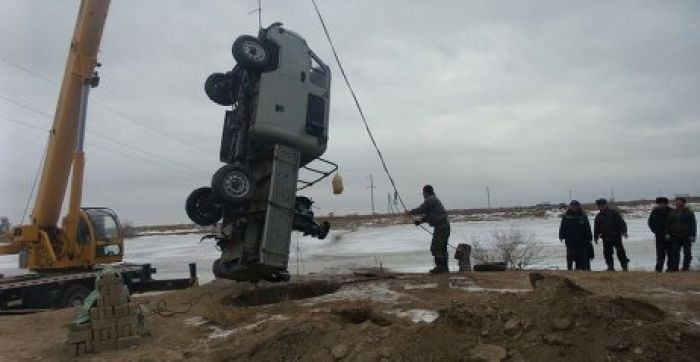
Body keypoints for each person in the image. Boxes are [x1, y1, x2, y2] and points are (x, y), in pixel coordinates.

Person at [407, 185, 450, 274]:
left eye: (423, 192)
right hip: (444, 226)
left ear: (426, 192)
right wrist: (420, 221)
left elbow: (421, 210)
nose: (423, 194)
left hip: (441, 226)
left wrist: (410, 212)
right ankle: (444, 267)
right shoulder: (433, 199)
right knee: (442, 247)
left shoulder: (430, 199)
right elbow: (430, 215)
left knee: (436, 247)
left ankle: (440, 267)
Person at [594, 198, 629, 271]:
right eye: (599, 205)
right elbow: (596, 228)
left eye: (602, 205)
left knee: (620, 252)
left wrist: (624, 231)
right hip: (605, 237)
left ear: (606, 205)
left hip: (616, 236)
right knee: (607, 253)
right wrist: (596, 237)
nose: (601, 207)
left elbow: (622, 223)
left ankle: (624, 266)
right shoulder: (598, 216)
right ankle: (610, 267)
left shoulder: (613, 212)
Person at [559, 200, 593, 271]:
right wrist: (561, 235)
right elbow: (562, 227)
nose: (574, 207)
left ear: (578, 206)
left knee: (582, 256)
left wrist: (589, 238)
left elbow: (587, 227)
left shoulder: (583, 216)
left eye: (576, 206)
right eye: (572, 206)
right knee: (570, 257)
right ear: (570, 206)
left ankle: (583, 269)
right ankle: (569, 269)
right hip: (570, 241)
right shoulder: (566, 216)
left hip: (582, 241)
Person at [665, 197, 696, 272]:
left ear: (683, 203)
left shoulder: (689, 213)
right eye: (676, 202)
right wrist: (667, 233)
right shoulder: (672, 212)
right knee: (675, 252)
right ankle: (675, 268)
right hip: (674, 236)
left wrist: (693, 235)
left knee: (687, 252)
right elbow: (667, 224)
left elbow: (693, 224)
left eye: (679, 202)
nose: (677, 203)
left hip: (686, 236)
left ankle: (686, 267)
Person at [648, 197, 672, 272]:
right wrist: (655, 231)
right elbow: (650, 222)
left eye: (661, 204)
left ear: (665, 204)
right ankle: (659, 268)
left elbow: (675, 222)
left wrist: (671, 232)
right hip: (659, 235)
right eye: (658, 204)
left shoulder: (671, 211)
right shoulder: (655, 211)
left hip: (671, 235)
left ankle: (670, 268)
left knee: (671, 252)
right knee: (660, 253)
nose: (659, 205)